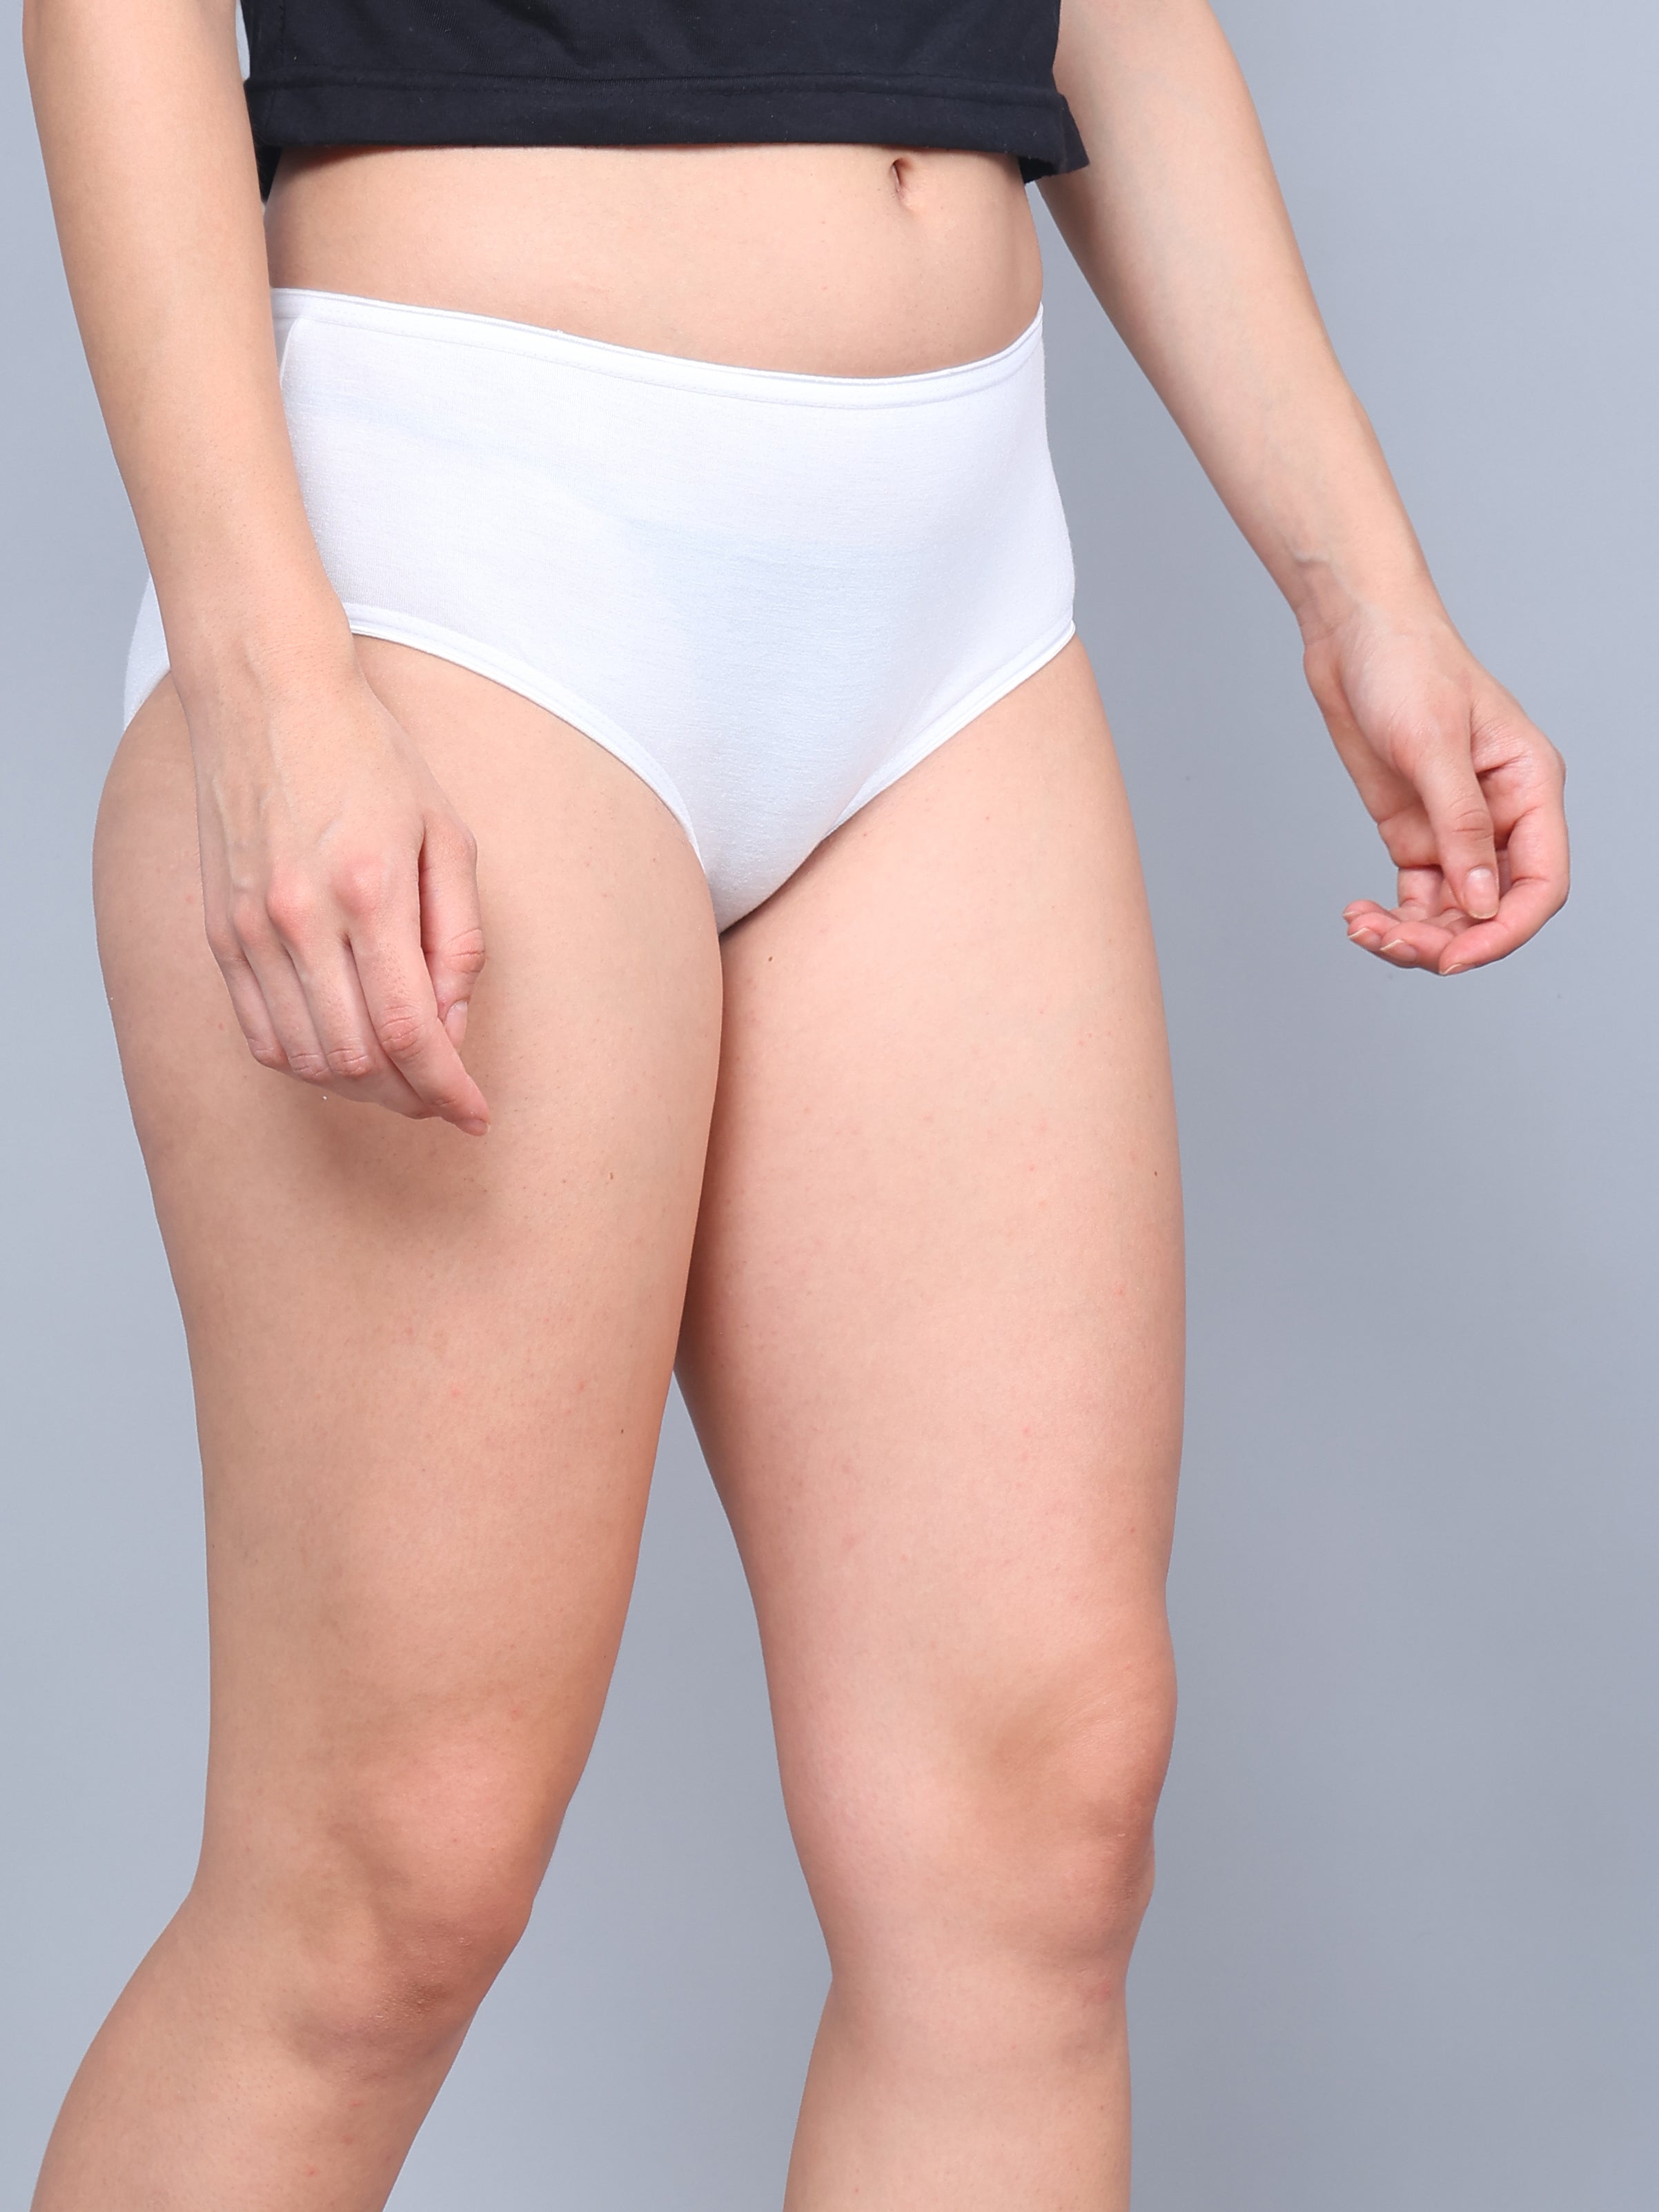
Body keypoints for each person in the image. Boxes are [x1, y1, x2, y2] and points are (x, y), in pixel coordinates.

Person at [22, 0, 1568, 2204]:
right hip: (461, 535)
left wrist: (1357, 584)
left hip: (951, 576)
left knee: (1028, 1843)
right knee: (387, 1880)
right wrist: (264, 678)